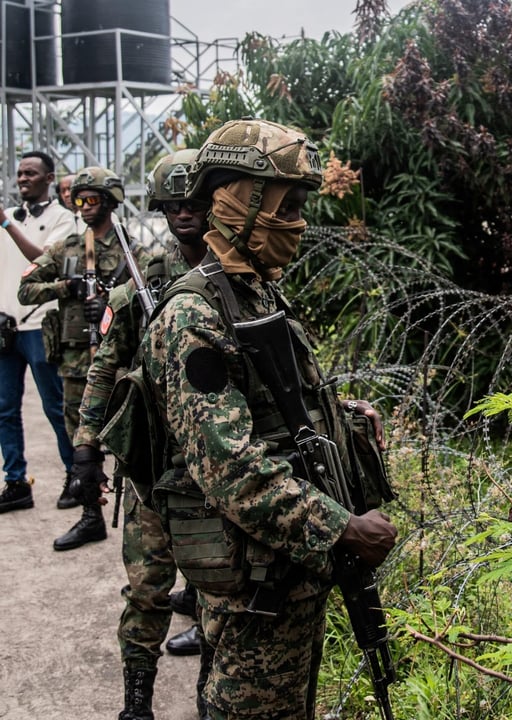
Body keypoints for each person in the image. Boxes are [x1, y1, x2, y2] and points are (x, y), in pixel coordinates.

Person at [137, 118, 397, 719]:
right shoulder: (193, 316)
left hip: (289, 567)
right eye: (289, 203)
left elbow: (276, 409)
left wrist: (344, 416)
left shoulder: (255, 293)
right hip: (256, 582)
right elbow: (231, 468)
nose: (299, 222)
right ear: (239, 201)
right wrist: (342, 527)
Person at [69, 150, 208, 718]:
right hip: (153, 465)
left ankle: (212, 696)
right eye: (171, 204)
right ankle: (136, 701)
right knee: (147, 591)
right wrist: (85, 446)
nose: (182, 213)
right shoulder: (148, 275)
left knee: (220, 596)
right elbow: (106, 362)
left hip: (217, 469)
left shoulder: (241, 275)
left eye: (192, 201)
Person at [17, 166, 129, 548]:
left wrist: (114, 301)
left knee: (136, 442)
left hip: (123, 364)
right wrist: (67, 287)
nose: (82, 207)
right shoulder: (67, 248)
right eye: (78, 200)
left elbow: (156, 295)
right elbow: (26, 291)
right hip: (76, 364)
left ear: (110, 201)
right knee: (81, 447)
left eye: (91, 199)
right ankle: (90, 516)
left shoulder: (132, 250)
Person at [0, 151, 77, 514]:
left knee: (56, 406)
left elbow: (41, 264)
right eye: (19, 173)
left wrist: (5, 224)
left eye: (30, 173)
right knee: (4, 409)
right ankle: (15, 482)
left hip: (39, 326)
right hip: (6, 326)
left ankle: (75, 475)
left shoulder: (65, 220)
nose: (22, 179)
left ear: (49, 178)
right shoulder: (10, 218)